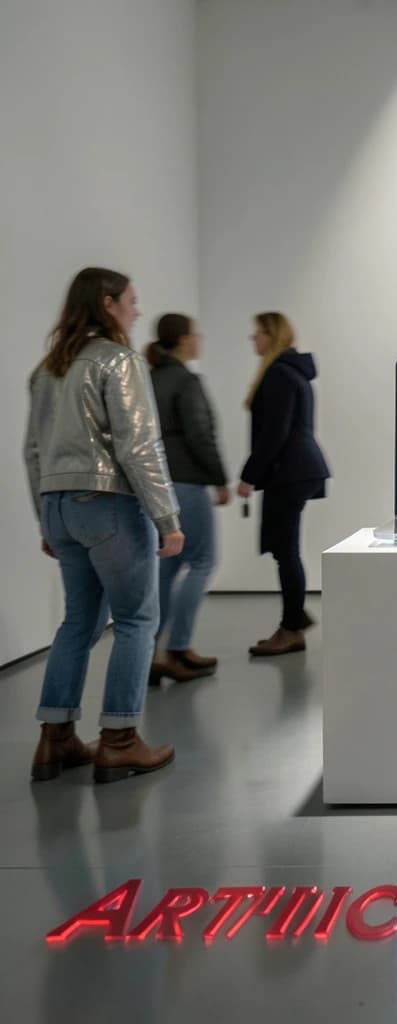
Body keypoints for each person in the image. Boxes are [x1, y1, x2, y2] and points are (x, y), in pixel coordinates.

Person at [23, 267, 181, 783]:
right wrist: (167, 519)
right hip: (108, 503)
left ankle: (56, 740)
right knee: (136, 621)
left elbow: (32, 452)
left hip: (60, 506)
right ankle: (119, 741)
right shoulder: (119, 360)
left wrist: (47, 519)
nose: (138, 310)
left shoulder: (48, 369)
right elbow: (138, 447)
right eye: (132, 301)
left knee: (78, 623)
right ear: (108, 303)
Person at [237, 312, 330, 656]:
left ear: (271, 335)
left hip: (289, 471)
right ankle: (294, 619)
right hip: (296, 469)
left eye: (257, 333)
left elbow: (275, 432)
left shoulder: (278, 373)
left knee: (285, 550)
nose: (253, 340)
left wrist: (249, 475)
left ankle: (291, 628)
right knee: (283, 548)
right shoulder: (292, 372)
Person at [146, 314, 230, 684]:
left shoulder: (150, 378)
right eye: (197, 334)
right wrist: (220, 479)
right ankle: (179, 648)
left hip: (157, 484)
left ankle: (149, 653)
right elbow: (200, 434)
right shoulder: (185, 380)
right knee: (202, 561)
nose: (201, 340)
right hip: (188, 484)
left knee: (166, 568)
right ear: (183, 340)